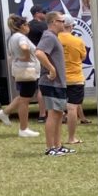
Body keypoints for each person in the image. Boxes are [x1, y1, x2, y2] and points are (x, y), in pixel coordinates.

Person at [0, 14, 42, 137]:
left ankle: (5, 112)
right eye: (27, 25)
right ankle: (23, 128)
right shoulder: (21, 37)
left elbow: (11, 55)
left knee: (23, 97)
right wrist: (26, 57)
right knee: (25, 100)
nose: (29, 27)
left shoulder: (12, 38)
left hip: (21, 71)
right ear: (22, 26)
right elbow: (25, 48)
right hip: (27, 71)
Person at [33, 11, 71, 156]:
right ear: (54, 22)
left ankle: (58, 145)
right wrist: (52, 69)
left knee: (59, 114)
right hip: (51, 82)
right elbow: (39, 53)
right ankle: (50, 148)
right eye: (61, 21)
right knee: (53, 114)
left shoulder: (54, 37)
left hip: (58, 83)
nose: (64, 23)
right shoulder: (49, 36)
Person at [58, 15, 88, 143]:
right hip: (75, 78)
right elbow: (82, 57)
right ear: (70, 26)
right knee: (72, 108)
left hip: (58, 78)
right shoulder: (78, 41)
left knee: (56, 109)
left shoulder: (55, 39)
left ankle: (56, 139)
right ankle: (71, 138)